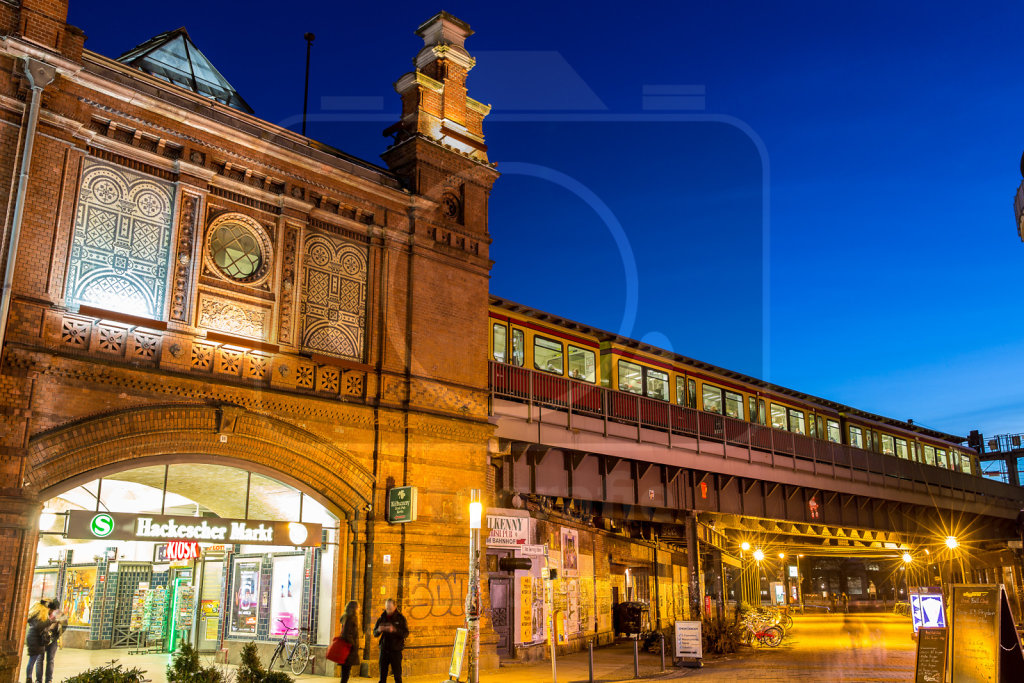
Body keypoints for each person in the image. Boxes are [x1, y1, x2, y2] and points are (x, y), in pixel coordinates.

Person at [373, 598, 408, 683]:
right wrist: (379, 630)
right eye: (386, 608)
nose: (388, 610)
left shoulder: (400, 618)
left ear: (394, 607)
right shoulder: (382, 617)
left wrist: (394, 630)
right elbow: (375, 633)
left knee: (397, 676)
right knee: (382, 677)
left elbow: (405, 633)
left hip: (396, 650)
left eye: (390, 608)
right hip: (384, 650)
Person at [41, 599, 68, 683]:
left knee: (49, 660)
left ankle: (47, 679)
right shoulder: (44, 612)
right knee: (43, 659)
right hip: (44, 639)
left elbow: (65, 625)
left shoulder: (59, 614)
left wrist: (57, 634)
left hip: (52, 639)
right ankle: (42, 679)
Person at [25, 600, 50, 683]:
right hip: (35, 639)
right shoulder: (37, 617)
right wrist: (49, 621)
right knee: (32, 659)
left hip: (36, 639)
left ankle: (30, 678)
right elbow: (39, 626)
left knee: (33, 659)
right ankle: (29, 678)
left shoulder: (35, 616)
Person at [338, 600, 360, 683]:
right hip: (348, 649)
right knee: (345, 673)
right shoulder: (351, 618)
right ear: (354, 608)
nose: (359, 609)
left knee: (345, 672)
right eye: (358, 607)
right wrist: (353, 645)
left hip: (347, 648)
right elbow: (347, 634)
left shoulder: (347, 617)